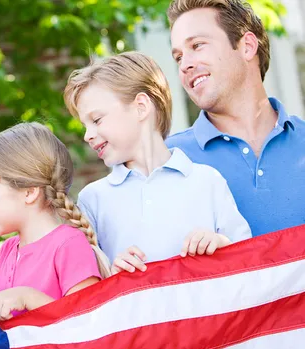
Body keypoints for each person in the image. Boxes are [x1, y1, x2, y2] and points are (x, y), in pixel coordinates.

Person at [64, 51, 252, 272]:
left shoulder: (206, 181)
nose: (88, 135)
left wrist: (220, 244)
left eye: (96, 120)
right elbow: (89, 287)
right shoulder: (92, 200)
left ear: (141, 107)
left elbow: (248, 261)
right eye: (85, 125)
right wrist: (113, 275)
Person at [165, 0, 305, 236]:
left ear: (247, 46)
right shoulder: (168, 162)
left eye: (197, 45)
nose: (185, 65)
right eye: (178, 57)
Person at [0, 122, 111, 325]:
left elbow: (86, 323)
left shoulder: (69, 244)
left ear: (29, 192)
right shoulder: (7, 249)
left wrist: (29, 298)